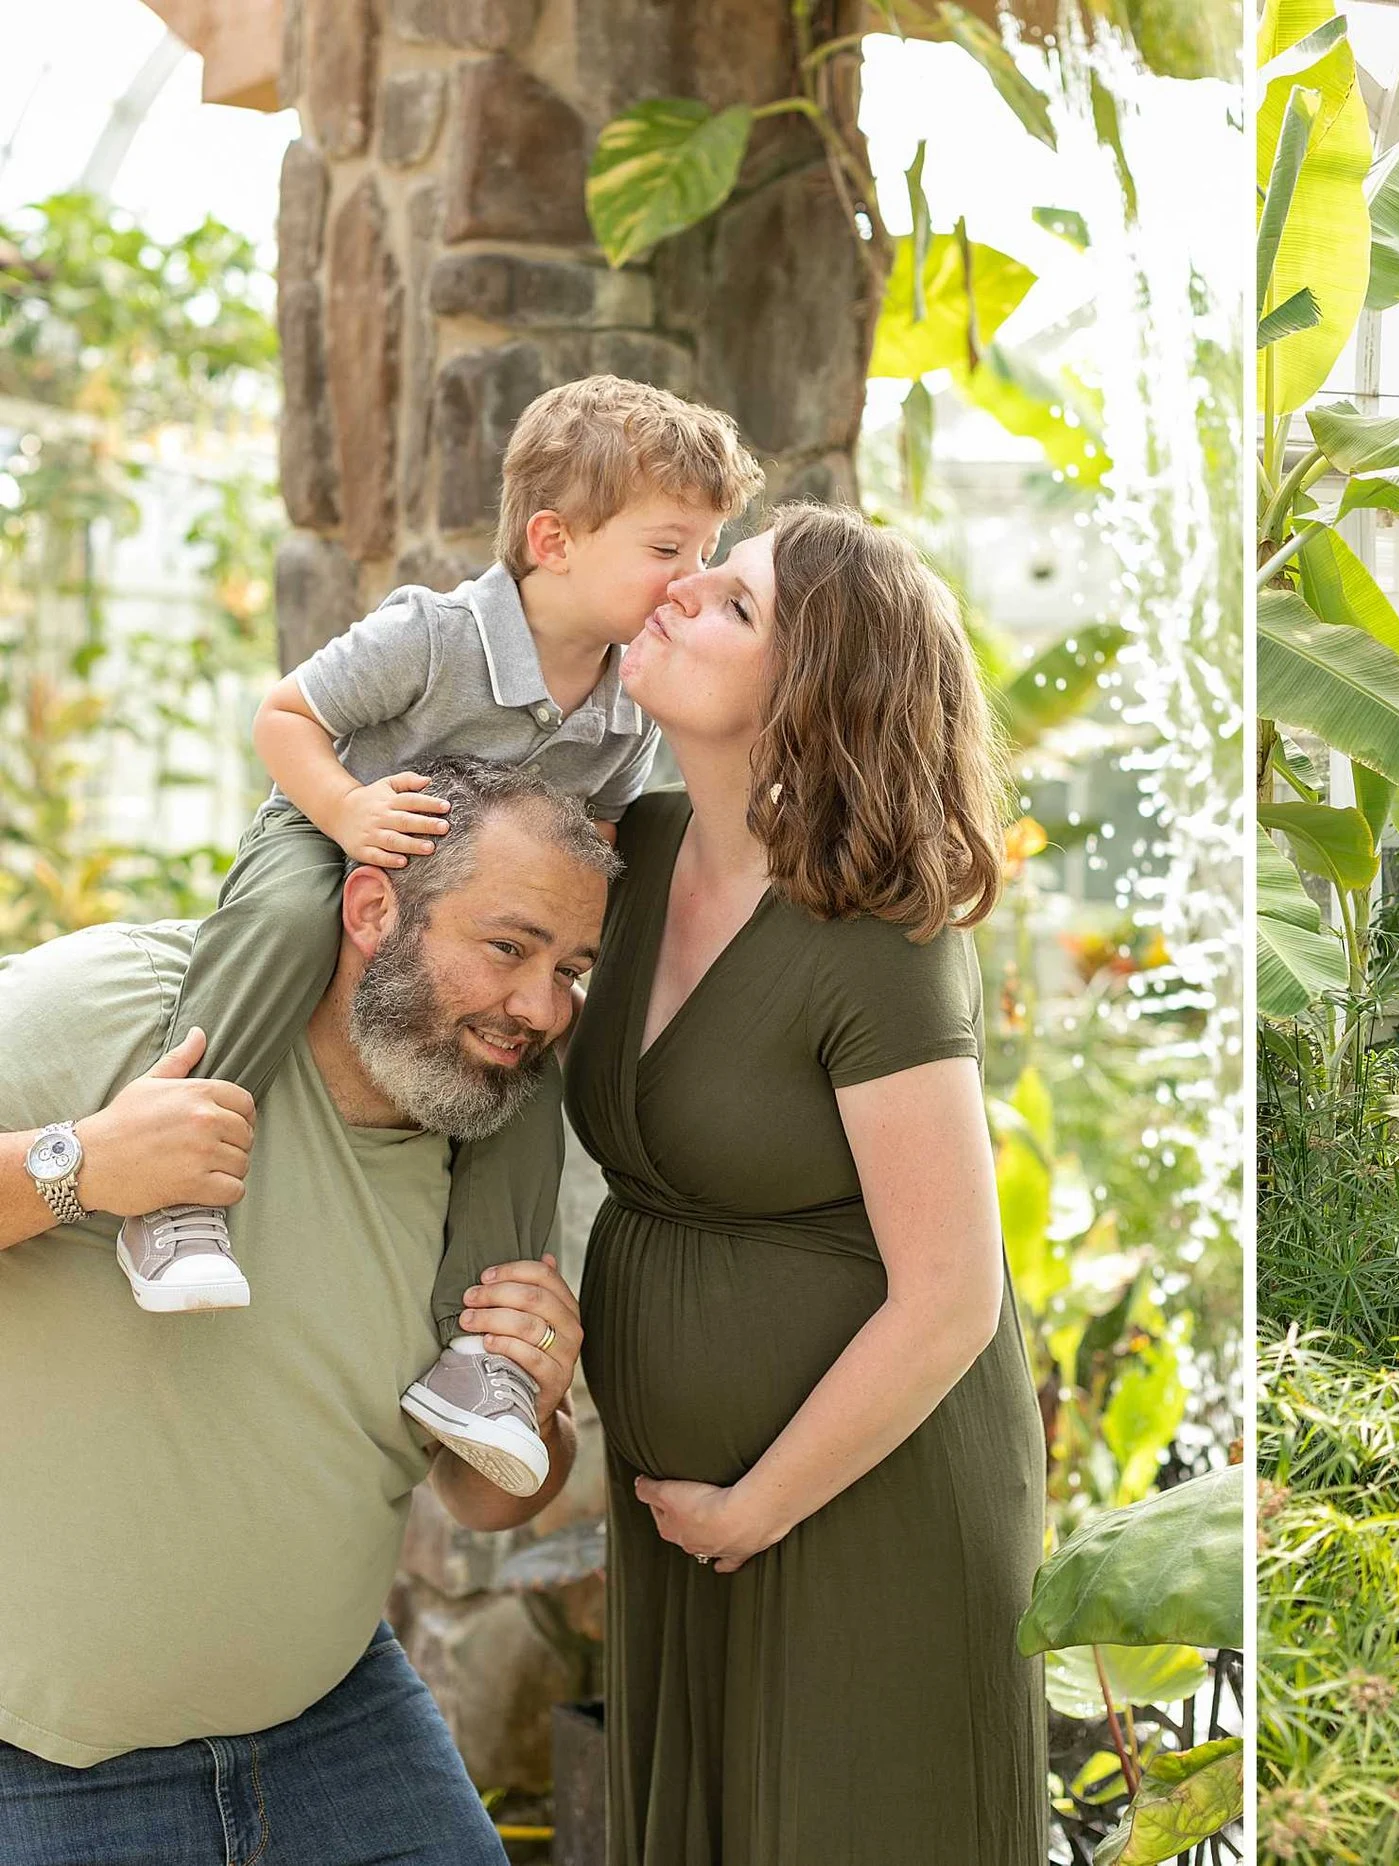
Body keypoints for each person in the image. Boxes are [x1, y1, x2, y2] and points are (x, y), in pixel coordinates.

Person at [116, 374, 760, 1499]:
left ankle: (482, 1353)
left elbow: (593, 831)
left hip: (474, 898)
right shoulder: (436, 633)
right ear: (554, 540)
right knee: (275, 924)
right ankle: (177, 1190)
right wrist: (348, 814)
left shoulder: (624, 707)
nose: (693, 580)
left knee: (527, 1070)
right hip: (341, 834)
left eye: (709, 551)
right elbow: (285, 716)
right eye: (670, 547)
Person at [0, 760, 608, 1863]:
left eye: (571, 969)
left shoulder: (480, 1145)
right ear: (374, 908)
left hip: (333, 1726)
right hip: (38, 1766)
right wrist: (75, 1167)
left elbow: (479, 1502)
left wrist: (544, 1409)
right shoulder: (130, 1007)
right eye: (508, 949)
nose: (540, 1007)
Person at [570, 502, 1047, 1863]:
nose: (683, 590)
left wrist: (757, 1502)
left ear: (812, 700)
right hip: (698, 1514)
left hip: (861, 1502)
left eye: (736, 605)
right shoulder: (640, 849)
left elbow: (953, 1293)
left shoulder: (873, 938)